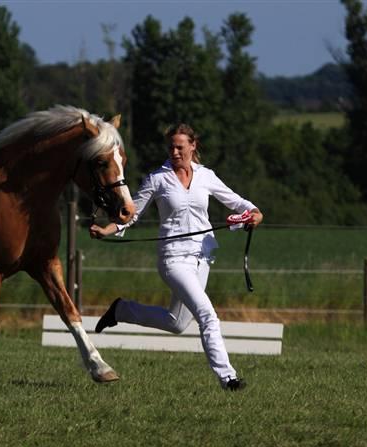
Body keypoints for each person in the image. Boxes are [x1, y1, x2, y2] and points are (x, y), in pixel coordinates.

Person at [89, 123, 263, 391]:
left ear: (193, 146)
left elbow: (238, 203)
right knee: (207, 314)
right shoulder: (157, 179)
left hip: (202, 257)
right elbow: (132, 214)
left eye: (180, 146)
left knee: (178, 323)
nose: (174, 151)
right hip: (173, 259)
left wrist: (254, 213)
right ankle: (228, 378)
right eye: (170, 147)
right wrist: (107, 229)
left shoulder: (206, 176)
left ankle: (121, 310)